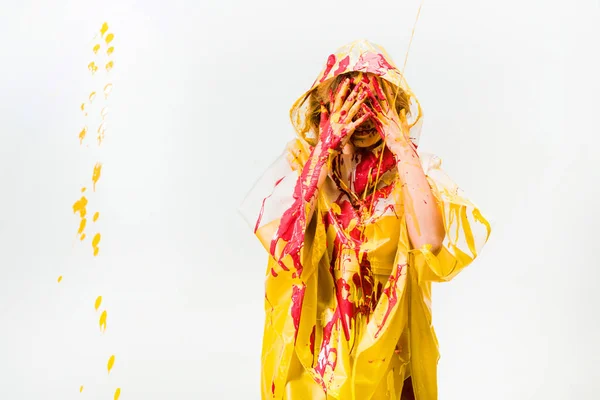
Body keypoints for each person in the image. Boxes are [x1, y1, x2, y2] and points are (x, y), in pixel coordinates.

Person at [240, 39, 491, 400]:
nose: (361, 116)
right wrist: (323, 152)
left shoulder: (412, 172)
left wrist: (402, 147)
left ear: (394, 108)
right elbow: (285, 248)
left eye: (373, 103)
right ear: (323, 108)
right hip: (315, 364)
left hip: (389, 358)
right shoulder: (301, 165)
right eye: (348, 102)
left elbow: (431, 242)